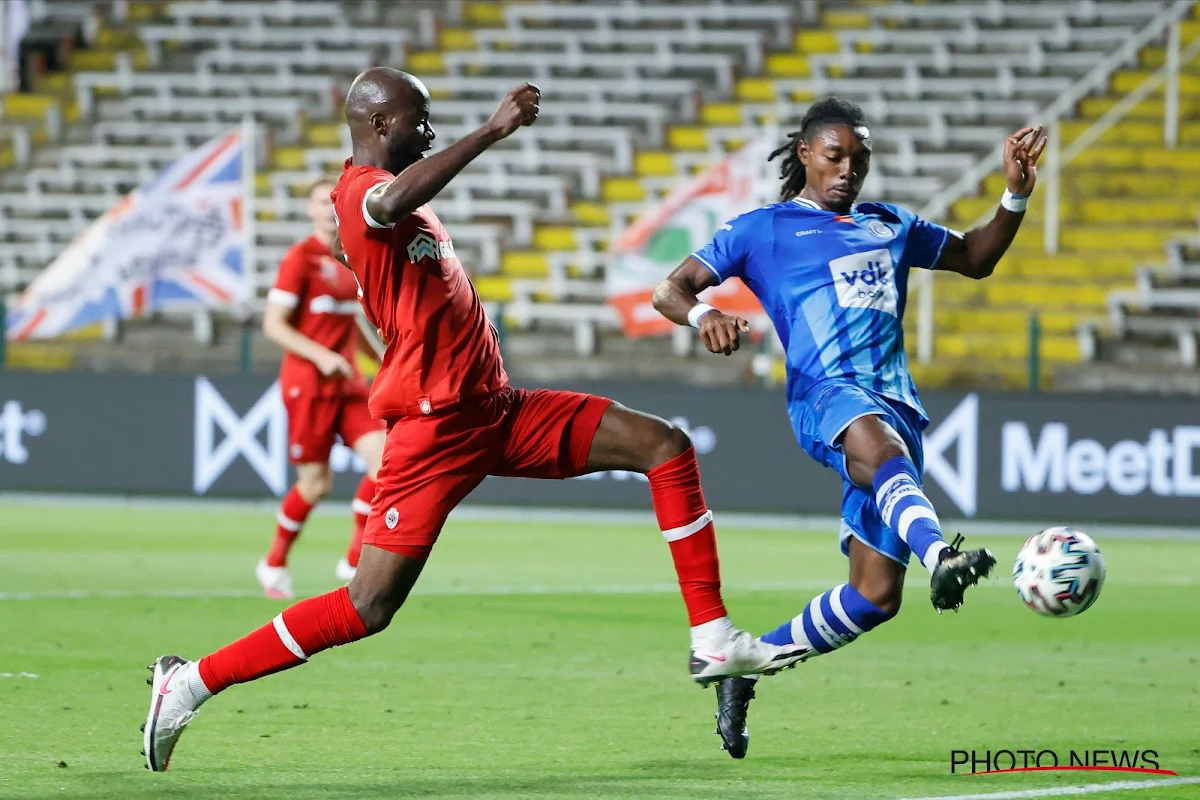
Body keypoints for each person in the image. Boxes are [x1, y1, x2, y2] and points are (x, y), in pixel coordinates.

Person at [139, 68, 810, 772]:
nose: (426, 130)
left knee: (664, 446)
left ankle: (711, 635)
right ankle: (188, 684)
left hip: (496, 409)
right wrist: (491, 130)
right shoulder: (359, 192)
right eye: (416, 119)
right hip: (435, 430)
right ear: (375, 124)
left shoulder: (394, 206)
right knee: (366, 606)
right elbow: (388, 200)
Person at [652, 97, 1046, 759]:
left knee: (874, 596)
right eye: (835, 155)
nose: (847, 170)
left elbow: (975, 258)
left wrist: (1013, 194)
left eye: (859, 159)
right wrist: (703, 317)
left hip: (897, 409)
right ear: (805, 153)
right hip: (826, 400)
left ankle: (749, 667)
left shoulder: (890, 224)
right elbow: (672, 289)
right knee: (877, 448)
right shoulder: (764, 229)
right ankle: (941, 556)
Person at [257, 178, 386, 598]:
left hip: (347, 383)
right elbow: (273, 325)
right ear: (309, 210)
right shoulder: (300, 259)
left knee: (385, 461)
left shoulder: (350, 259)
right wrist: (321, 356)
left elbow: (350, 320)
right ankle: (273, 563)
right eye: (320, 202)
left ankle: (353, 561)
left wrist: (384, 358)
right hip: (308, 385)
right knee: (316, 484)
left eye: (333, 202)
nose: (329, 209)